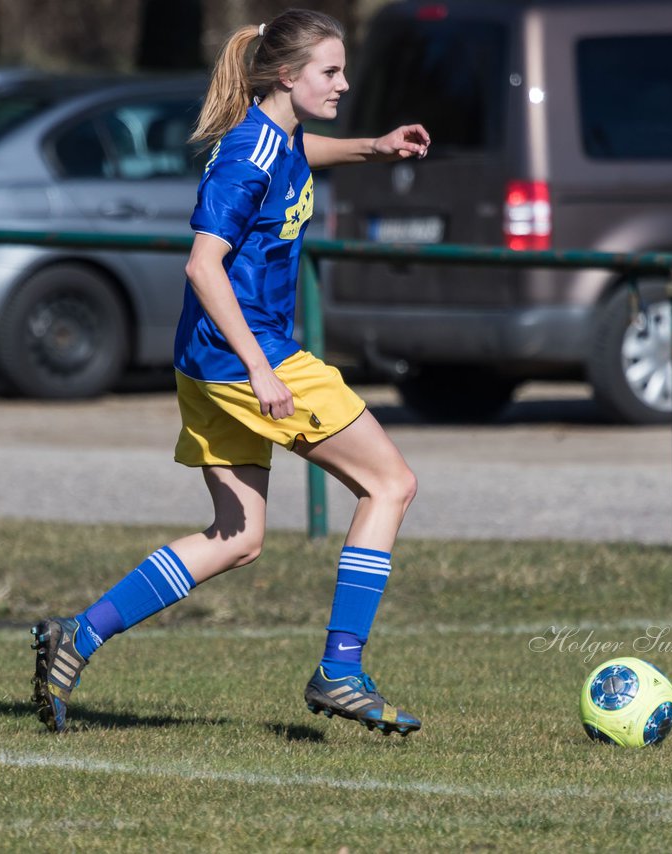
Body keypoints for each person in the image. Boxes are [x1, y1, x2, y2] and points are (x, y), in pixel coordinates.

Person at [31, 8, 432, 736]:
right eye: (330, 72)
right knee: (391, 483)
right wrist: (262, 370)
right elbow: (202, 264)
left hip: (207, 360)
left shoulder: (277, 138)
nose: (344, 83)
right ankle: (340, 669)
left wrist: (375, 147)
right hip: (251, 357)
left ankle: (77, 635)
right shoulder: (250, 154)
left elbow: (302, 156)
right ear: (286, 76)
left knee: (238, 537)